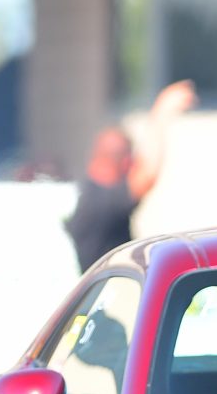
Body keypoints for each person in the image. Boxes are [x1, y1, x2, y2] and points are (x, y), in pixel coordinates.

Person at [66, 79, 198, 270]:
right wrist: (161, 112)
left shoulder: (89, 195)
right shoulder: (104, 201)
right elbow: (147, 175)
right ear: (128, 162)